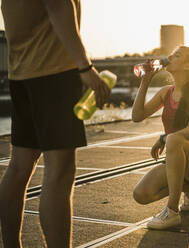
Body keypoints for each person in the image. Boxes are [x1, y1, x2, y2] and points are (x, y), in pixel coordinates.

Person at [0, 0, 111, 247]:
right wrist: (85, 66)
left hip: (21, 71)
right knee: (59, 172)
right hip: (54, 72)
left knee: (19, 167)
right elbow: (57, 5)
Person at [132, 46, 189, 230]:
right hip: (177, 160)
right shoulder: (166, 92)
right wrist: (145, 82)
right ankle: (188, 186)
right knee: (141, 194)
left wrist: (165, 138)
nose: (169, 57)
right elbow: (137, 116)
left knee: (173, 139)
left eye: (176, 55)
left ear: (187, 66)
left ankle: (172, 211)